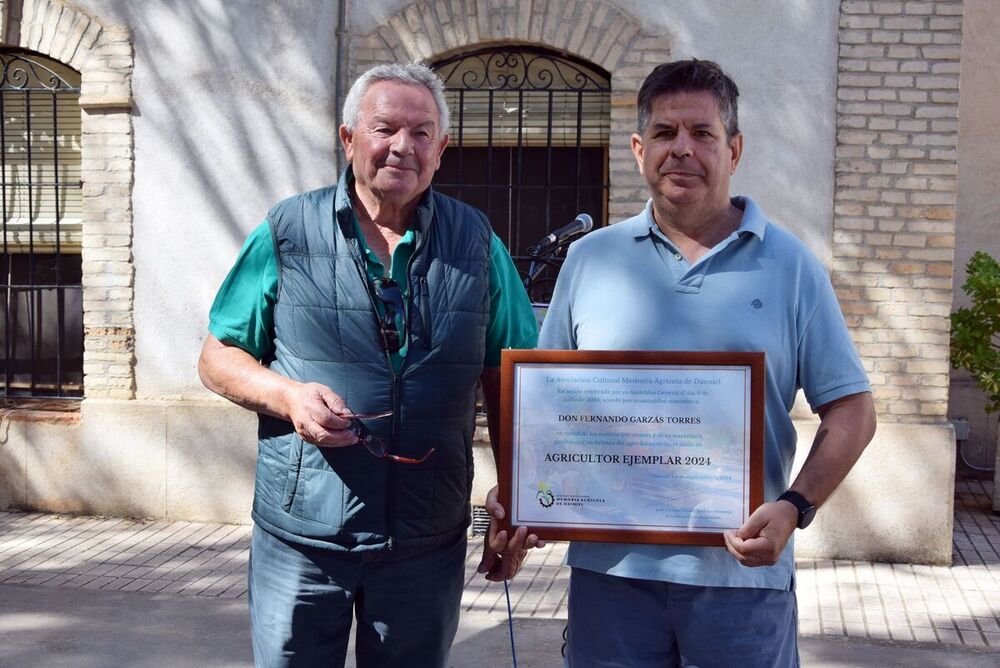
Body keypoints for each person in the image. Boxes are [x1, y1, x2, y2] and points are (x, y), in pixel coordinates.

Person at [536, 59, 877, 667]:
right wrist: (526, 501)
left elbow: (852, 409)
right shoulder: (590, 261)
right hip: (610, 576)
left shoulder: (791, 266)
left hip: (741, 583)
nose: (682, 150)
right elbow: (545, 410)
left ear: (735, 148)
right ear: (640, 150)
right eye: (665, 134)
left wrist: (795, 507)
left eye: (702, 133)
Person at [198, 63, 539, 668]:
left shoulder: (477, 242)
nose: (402, 147)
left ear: (441, 150)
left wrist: (517, 497)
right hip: (303, 537)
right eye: (385, 128)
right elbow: (218, 355)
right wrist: (290, 398)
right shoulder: (288, 231)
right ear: (349, 137)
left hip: (425, 538)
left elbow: (514, 380)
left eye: (422, 133)